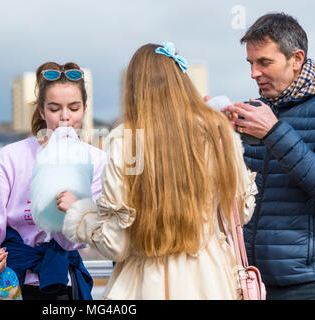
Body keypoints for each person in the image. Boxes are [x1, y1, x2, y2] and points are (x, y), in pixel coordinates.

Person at [56, 42, 258, 299]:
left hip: (146, 279)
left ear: (133, 88)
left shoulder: (126, 140)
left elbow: (115, 243)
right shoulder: (217, 132)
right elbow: (241, 211)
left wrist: (80, 212)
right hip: (211, 278)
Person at [0, 61, 107, 300]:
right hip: (10, 281)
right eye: (54, 108)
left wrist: (77, 210)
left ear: (84, 109)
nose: (65, 117)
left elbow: (99, 229)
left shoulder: (97, 160)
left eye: (74, 108)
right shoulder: (12, 157)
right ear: (41, 111)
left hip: (63, 282)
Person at [222, 13, 315, 300]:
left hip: (304, 283)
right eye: (250, 63)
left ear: (296, 59)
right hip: (250, 280)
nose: (254, 73)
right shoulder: (255, 111)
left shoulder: (267, 121)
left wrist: (273, 132)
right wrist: (220, 135)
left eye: (264, 62)